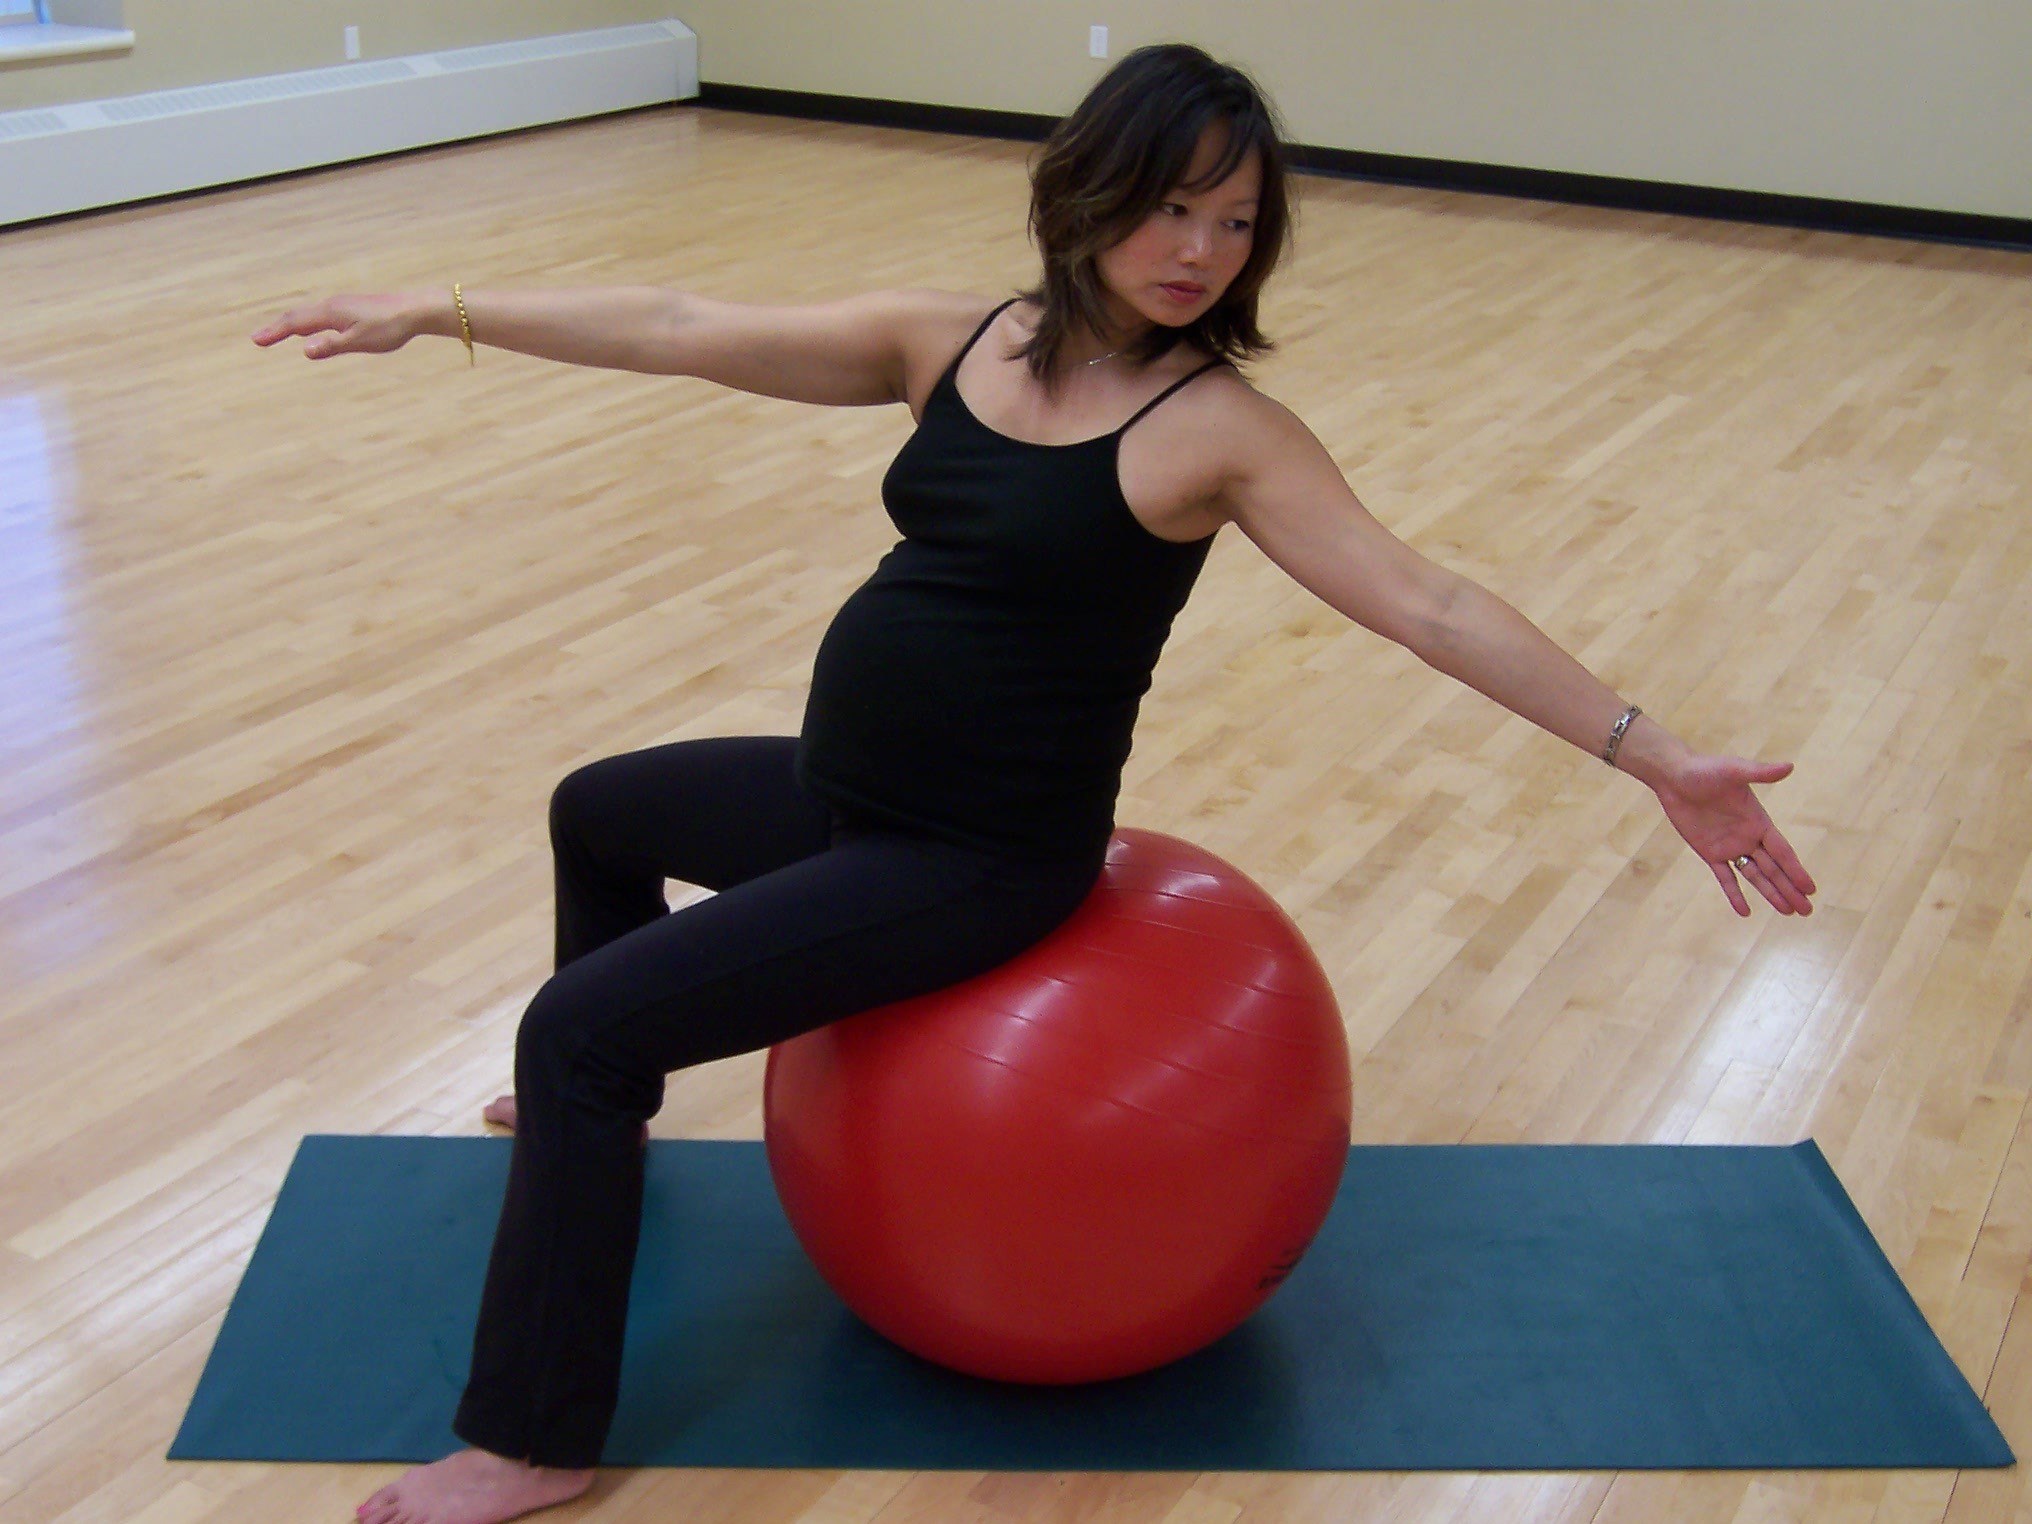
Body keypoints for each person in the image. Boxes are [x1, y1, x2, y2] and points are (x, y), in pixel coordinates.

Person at [252, 41, 1816, 1524]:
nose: (1199, 248)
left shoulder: (1220, 432)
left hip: (974, 860)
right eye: (1170, 204)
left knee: (574, 1028)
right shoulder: (958, 340)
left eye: (1234, 222)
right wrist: (437, 309)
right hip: (848, 797)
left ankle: (531, 1437)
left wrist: (1659, 754)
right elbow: (676, 320)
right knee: (601, 806)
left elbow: (1431, 604)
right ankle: (603, 1119)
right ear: (1087, 190)